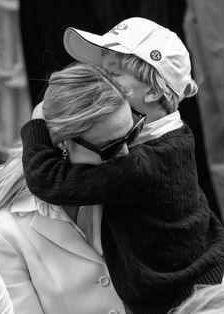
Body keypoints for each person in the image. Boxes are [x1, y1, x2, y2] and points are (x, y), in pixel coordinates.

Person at [20, 18, 224, 314]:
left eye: (112, 75)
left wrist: (38, 121)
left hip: (181, 300)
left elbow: (48, 179)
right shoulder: (176, 133)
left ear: (152, 93)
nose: (101, 82)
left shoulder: (139, 164)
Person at [0, 62, 140, 314]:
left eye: (132, 136)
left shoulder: (132, 181)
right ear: (63, 144)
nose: (126, 155)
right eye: (109, 147)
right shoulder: (6, 232)